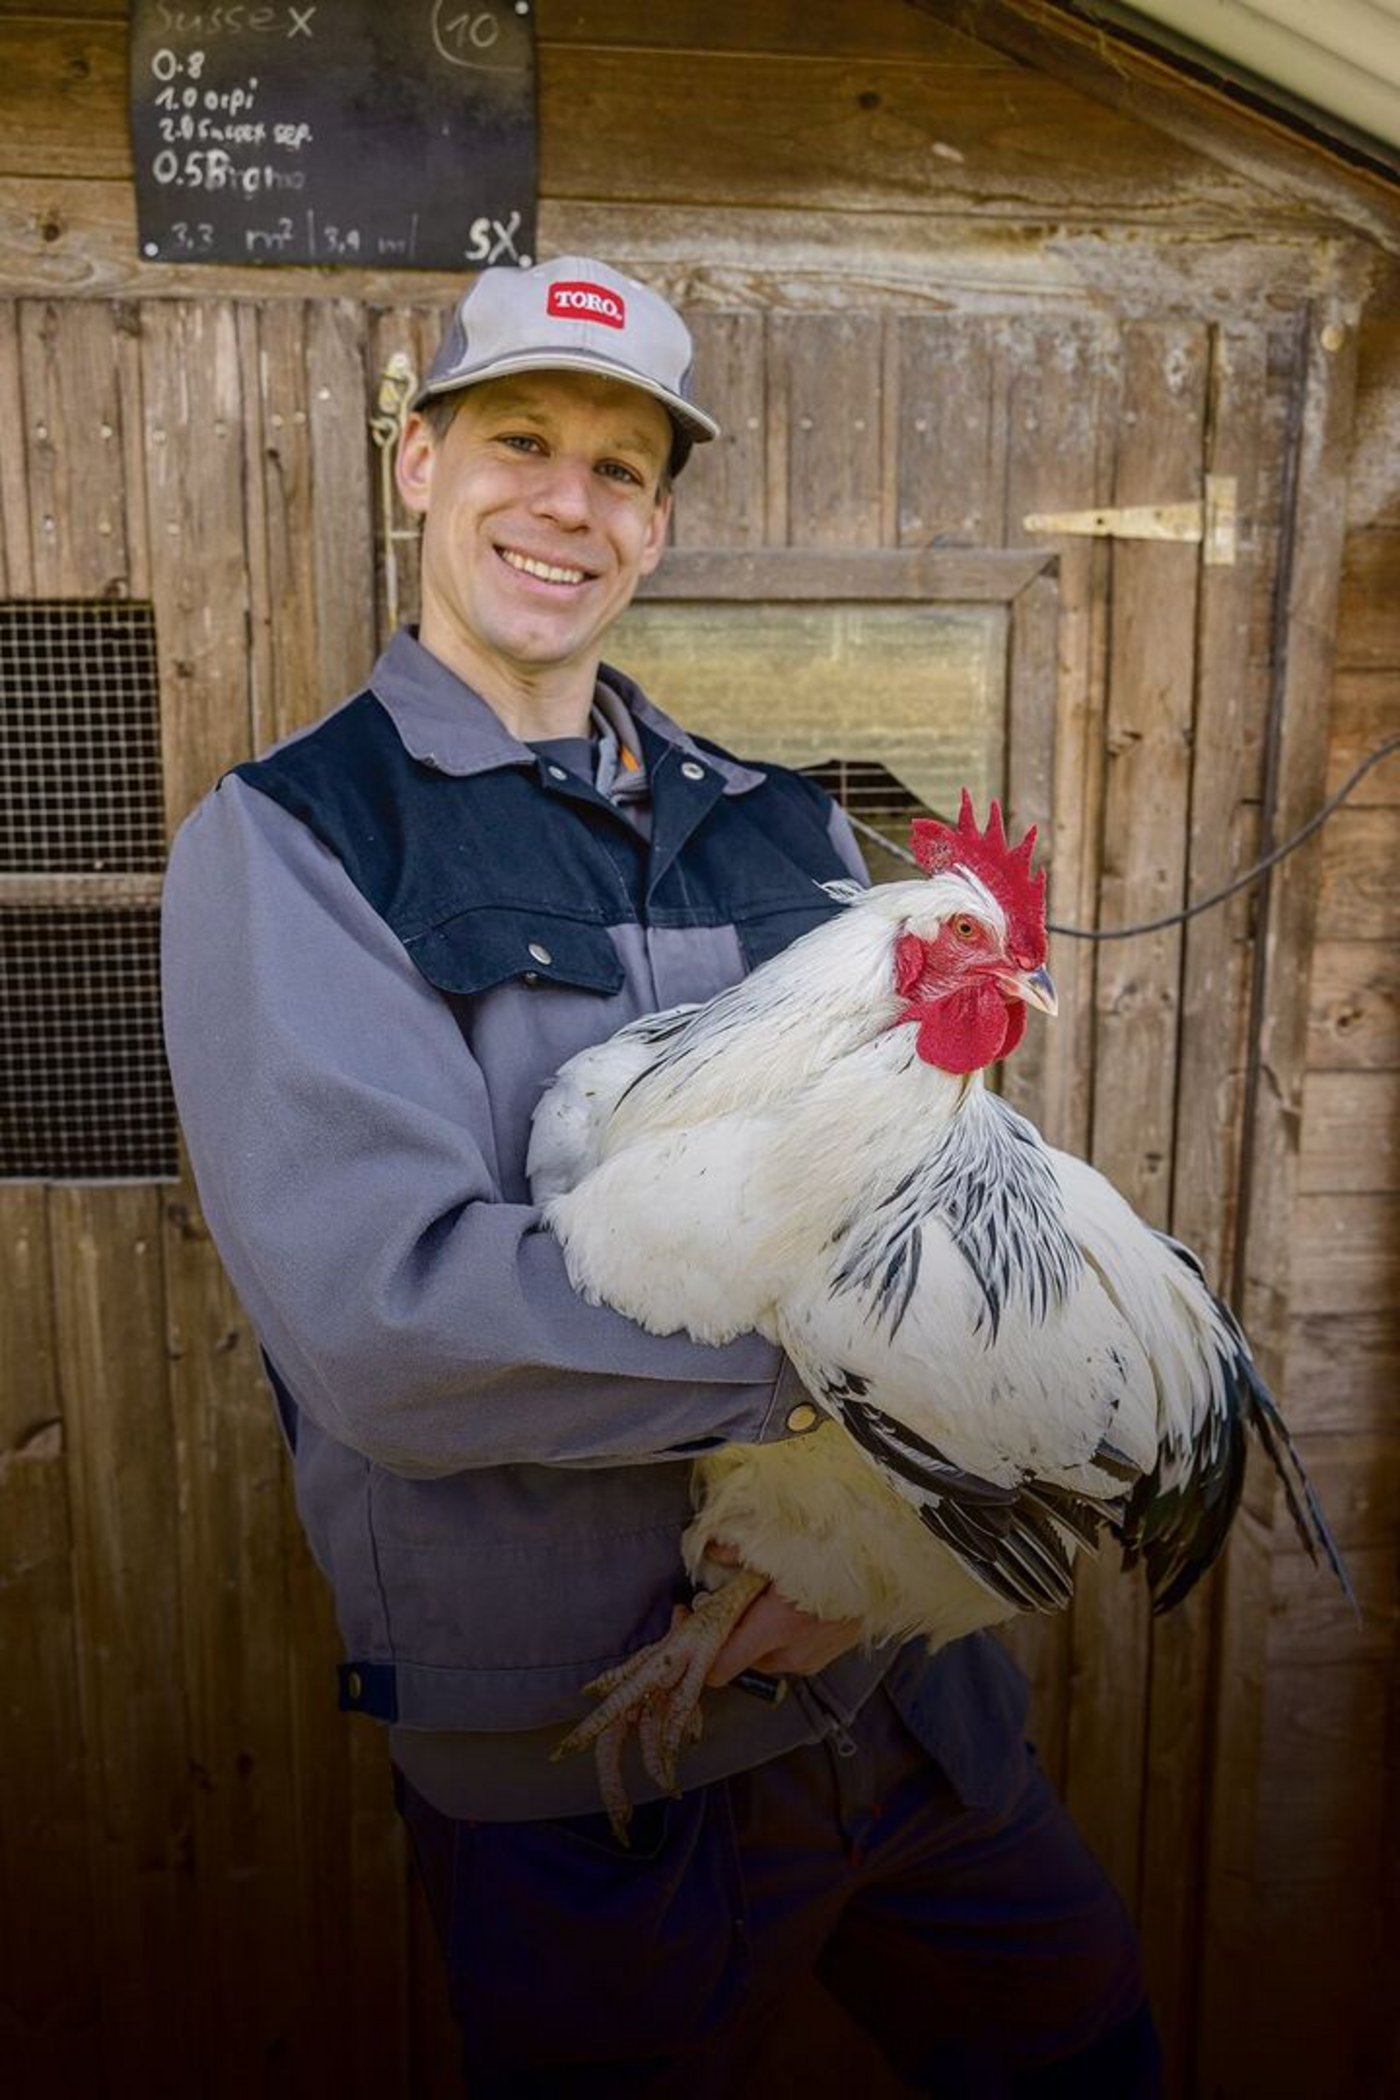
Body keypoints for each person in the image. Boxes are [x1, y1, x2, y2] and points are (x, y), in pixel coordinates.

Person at [161, 255, 1161, 2097]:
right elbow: (395, 1329)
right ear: (419, 464)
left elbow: (939, 1192)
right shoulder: (298, 841)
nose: (569, 500)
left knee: (1096, 2063)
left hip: (905, 1698)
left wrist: (913, 1518)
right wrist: (897, 1382)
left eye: (622, 468)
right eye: (521, 440)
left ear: (660, 519)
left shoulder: (783, 816)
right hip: (588, 1759)